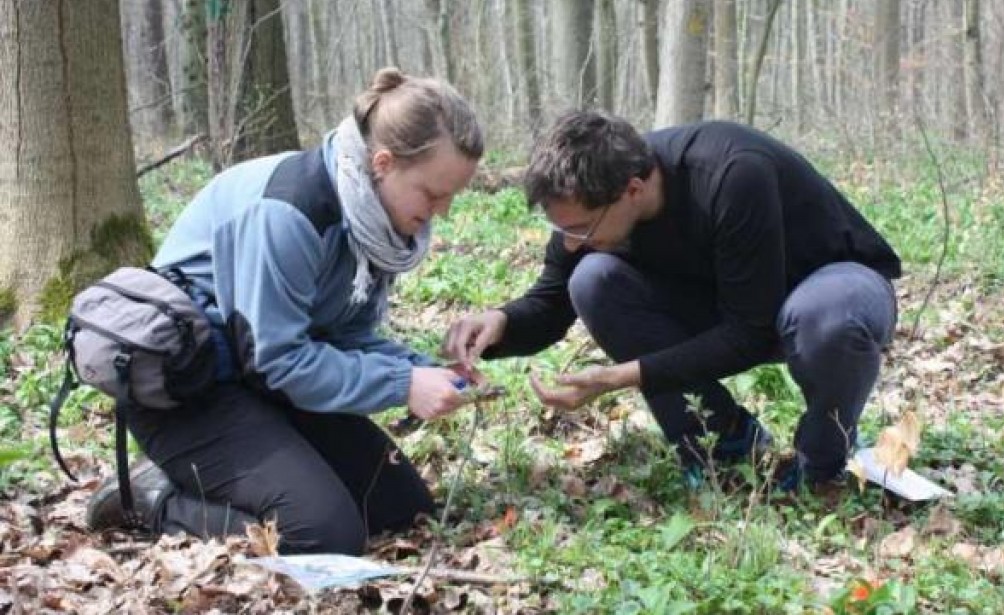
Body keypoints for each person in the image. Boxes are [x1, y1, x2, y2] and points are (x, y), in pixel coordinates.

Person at [85, 68, 484, 554]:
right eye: (434, 193)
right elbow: (281, 364)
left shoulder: (371, 222)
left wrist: (420, 369)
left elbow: (346, 337)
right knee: (320, 533)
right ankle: (148, 497)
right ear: (382, 162)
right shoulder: (290, 212)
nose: (441, 211)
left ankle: (240, 475)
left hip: (258, 380)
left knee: (401, 506)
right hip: (190, 391)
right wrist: (402, 386)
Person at [444, 110, 900, 492]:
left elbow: (750, 331)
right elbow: (551, 302)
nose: (570, 241)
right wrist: (499, 323)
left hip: (831, 285)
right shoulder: (586, 205)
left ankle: (821, 464)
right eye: (562, 230)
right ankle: (721, 445)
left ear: (633, 191)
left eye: (580, 229)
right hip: (724, 301)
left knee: (825, 319)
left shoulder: (732, 172)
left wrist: (622, 377)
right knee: (591, 280)